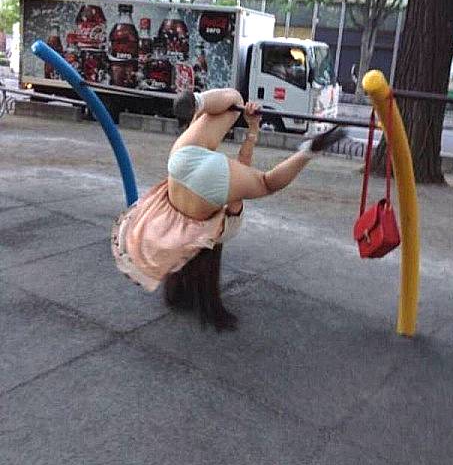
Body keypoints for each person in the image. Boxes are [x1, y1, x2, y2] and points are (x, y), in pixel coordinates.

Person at [111, 88, 344, 330]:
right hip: (180, 163)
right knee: (234, 101)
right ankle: (198, 101)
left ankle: (308, 151)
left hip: (210, 182)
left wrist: (253, 131)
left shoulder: (220, 233)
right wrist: (250, 128)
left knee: (267, 183)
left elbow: (241, 183)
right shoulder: (168, 239)